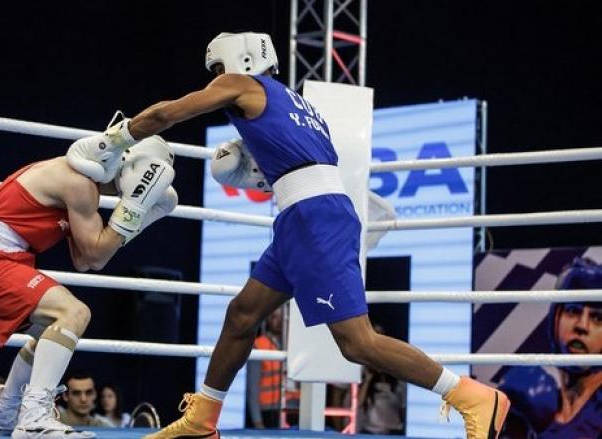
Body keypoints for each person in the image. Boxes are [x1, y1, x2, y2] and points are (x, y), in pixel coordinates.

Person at [68, 31, 510, 439]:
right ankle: (203, 419)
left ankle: (471, 395)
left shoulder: (240, 84)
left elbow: (168, 112)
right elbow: (298, 165)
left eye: (217, 71)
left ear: (237, 60)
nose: (215, 82)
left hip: (314, 218)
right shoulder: (298, 106)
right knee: (242, 314)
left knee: (357, 342)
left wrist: (116, 139)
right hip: (302, 218)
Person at [0, 135, 177, 438]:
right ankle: (33, 418)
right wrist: (136, 208)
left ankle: (4, 415)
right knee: (74, 313)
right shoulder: (79, 183)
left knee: (49, 333)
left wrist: (139, 214)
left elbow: (84, 260)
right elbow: (97, 257)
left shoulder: (87, 187)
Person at [498, 257, 602, 438]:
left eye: (597, 318)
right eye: (572, 310)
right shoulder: (535, 406)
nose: (582, 326)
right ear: (555, 320)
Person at [246, 307, 298, 429]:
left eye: (282, 316)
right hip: (269, 411)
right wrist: (257, 421)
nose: (279, 321)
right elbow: (253, 388)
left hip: (295, 410)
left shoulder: (296, 344)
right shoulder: (259, 345)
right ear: (267, 320)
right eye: (274, 317)